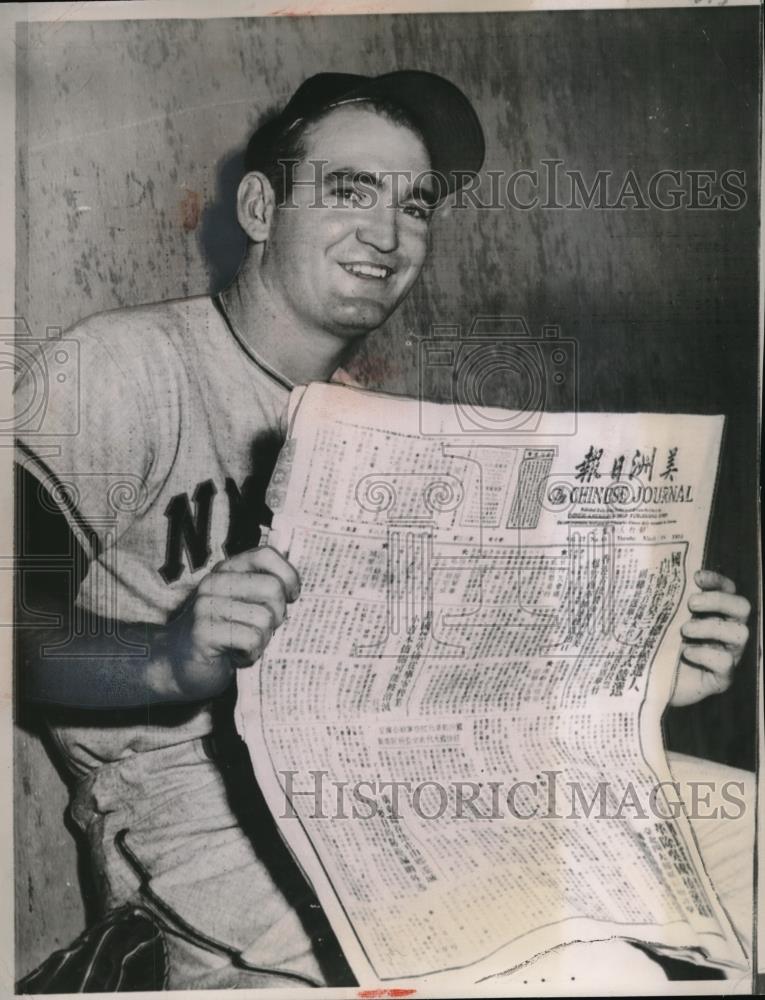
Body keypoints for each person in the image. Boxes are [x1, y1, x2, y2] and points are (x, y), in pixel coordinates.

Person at [14, 70, 753, 989]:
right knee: (592, 972)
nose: (388, 230)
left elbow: (431, 693)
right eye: (350, 190)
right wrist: (168, 658)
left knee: (744, 847)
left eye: (416, 203)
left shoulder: (380, 424)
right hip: (193, 797)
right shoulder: (121, 365)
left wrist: (634, 676)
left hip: (386, 788)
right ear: (258, 206)